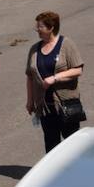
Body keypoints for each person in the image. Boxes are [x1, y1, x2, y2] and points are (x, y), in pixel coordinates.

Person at [25, 11, 85, 153]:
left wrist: (55, 78)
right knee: (51, 146)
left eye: (40, 26)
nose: (37, 29)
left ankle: (79, 172)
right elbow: (30, 76)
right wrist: (30, 101)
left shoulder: (67, 45)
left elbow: (78, 70)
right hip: (45, 106)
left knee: (73, 145)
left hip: (66, 104)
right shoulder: (34, 49)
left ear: (51, 28)